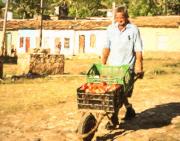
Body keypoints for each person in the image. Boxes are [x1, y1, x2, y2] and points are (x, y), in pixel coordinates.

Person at [102, 6, 144, 129]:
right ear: (115, 18)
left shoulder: (134, 30)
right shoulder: (110, 29)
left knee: (118, 94)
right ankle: (129, 109)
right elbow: (106, 48)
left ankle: (113, 119)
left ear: (126, 17)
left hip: (127, 68)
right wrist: (102, 64)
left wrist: (139, 67)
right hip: (113, 68)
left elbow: (138, 50)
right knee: (116, 92)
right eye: (117, 17)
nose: (119, 19)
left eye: (122, 17)